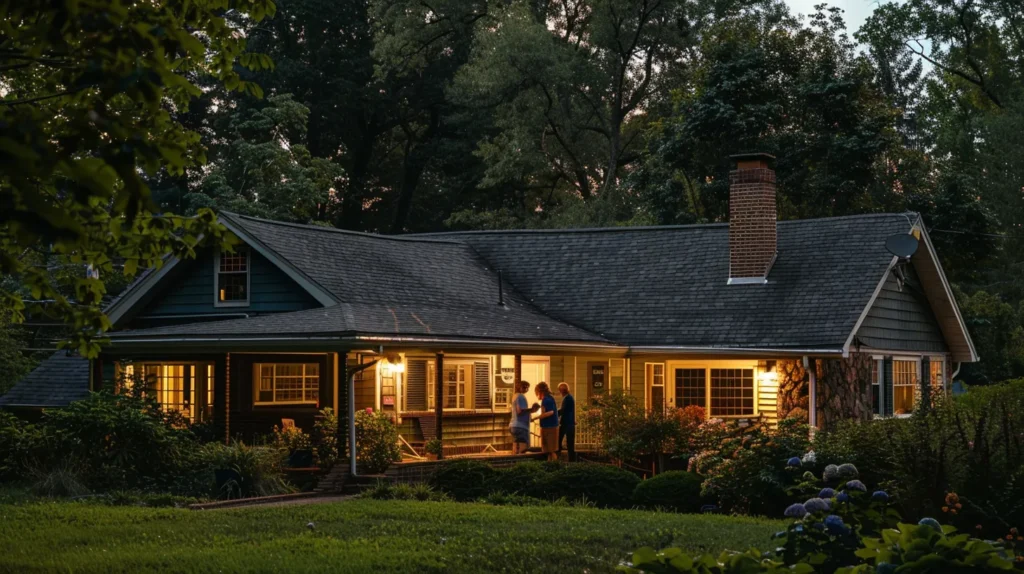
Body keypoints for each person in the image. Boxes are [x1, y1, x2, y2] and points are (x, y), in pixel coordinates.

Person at [532, 382, 559, 461]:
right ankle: (550, 464)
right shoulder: (549, 398)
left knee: (551, 450)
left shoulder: (546, 399)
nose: (536, 395)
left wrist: (535, 418)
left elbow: (550, 412)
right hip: (548, 426)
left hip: (549, 427)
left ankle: (554, 465)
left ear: (540, 392)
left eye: (536, 392)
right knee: (549, 451)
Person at [509, 380, 535, 454]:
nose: (526, 389)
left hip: (513, 425)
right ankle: (522, 462)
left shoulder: (514, 396)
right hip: (521, 426)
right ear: (519, 387)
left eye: (527, 388)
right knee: (523, 449)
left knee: (516, 447)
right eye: (524, 387)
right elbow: (519, 411)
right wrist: (532, 409)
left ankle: (515, 462)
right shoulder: (521, 396)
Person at [556, 382, 576, 461]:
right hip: (569, 423)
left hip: (566, 423)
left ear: (561, 390)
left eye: (560, 390)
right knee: (569, 442)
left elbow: (563, 410)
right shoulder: (569, 397)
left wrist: (554, 413)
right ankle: (571, 460)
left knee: (560, 440)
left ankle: (560, 458)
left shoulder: (567, 398)